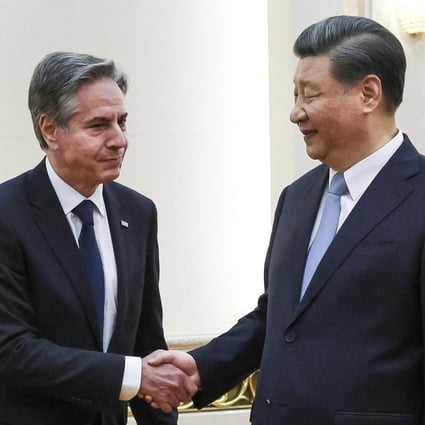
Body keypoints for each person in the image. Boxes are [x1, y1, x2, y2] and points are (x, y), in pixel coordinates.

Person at [147, 14, 425, 424]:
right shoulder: (296, 198)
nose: (295, 113)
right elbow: (279, 317)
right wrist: (203, 366)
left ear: (368, 94)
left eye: (309, 96)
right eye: (294, 95)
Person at [0, 52, 197, 425]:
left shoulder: (138, 213)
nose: (119, 140)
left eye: (122, 122)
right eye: (99, 126)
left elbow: (145, 342)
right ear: (50, 130)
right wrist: (134, 376)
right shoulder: (8, 215)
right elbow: (11, 350)